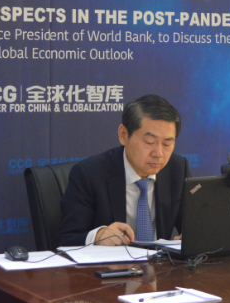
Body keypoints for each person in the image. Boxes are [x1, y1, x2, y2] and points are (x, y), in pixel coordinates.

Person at [56, 94, 190, 247]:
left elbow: (194, 225)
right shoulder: (89, 174)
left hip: (160, 262)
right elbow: (66, 240)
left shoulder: (178, 169)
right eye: (149, 142)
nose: (158, 153)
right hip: (110, 262)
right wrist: (97, 237)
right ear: (123, 135)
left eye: (167, 144)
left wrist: (193, 237)